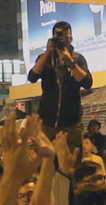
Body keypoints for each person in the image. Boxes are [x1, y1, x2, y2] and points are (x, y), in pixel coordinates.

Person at [28, 21, 93, 150]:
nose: (62, 41)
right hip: (47, 123)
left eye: (66, 37)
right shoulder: (45, 58)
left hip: (71, 123)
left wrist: (71, 62)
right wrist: (48, 52)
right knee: (46, 162)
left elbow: (87, 83)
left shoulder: (78, 58)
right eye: (58, 38)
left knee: (72, 161)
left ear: (71, 38)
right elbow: (32, 77)